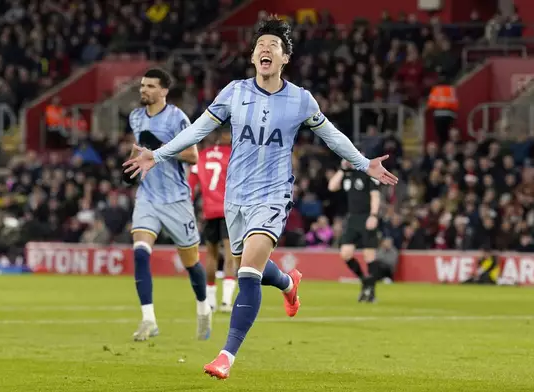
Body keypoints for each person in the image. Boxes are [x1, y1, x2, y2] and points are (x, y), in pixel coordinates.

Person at [123, 16, 398, 380]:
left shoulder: (301, 99)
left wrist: (364, 164)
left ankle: (226, 355)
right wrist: (156, 155)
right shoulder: (234, 92)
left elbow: (331, 135)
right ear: (253, 56)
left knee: (247, 273)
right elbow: (197, 131)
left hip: (272, 195)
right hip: (235, 196)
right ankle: (287, 282)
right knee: (244, 267)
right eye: (260, 45)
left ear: (285, 58)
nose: (265, 49)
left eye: (274, 46)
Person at [124, 68, 212, 342]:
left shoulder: (177, 118)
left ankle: (203, 308)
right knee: (140, 252)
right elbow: (138, 149)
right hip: (148, 196)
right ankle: (148, 320)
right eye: (142, 85)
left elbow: (193, 156)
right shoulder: (136, 117)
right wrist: (130, 166)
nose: (144, 90)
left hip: (176, 199)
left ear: (164, 91)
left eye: (150, 86)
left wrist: (160, 148)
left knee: (191, 263)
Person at [188, 128, 237, 312]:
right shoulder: (233, 154)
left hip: (209, 211)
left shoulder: (201, 156)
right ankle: (226, 301)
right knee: (230, 253)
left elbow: (191, 185)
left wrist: (188, 206)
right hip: (228, 210)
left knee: (211, 254)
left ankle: (210, 302)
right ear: (224, 136)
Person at [327, 153, 382, 302]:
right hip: (352, 218)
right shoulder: (347, 174)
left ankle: (371, 291)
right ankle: (365, 281)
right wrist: (342, 169)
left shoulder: (368, 173)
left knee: (369, 255)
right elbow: (332, 186)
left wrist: (374, 215)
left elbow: (375, 196)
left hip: (367, 217)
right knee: (345, 253)